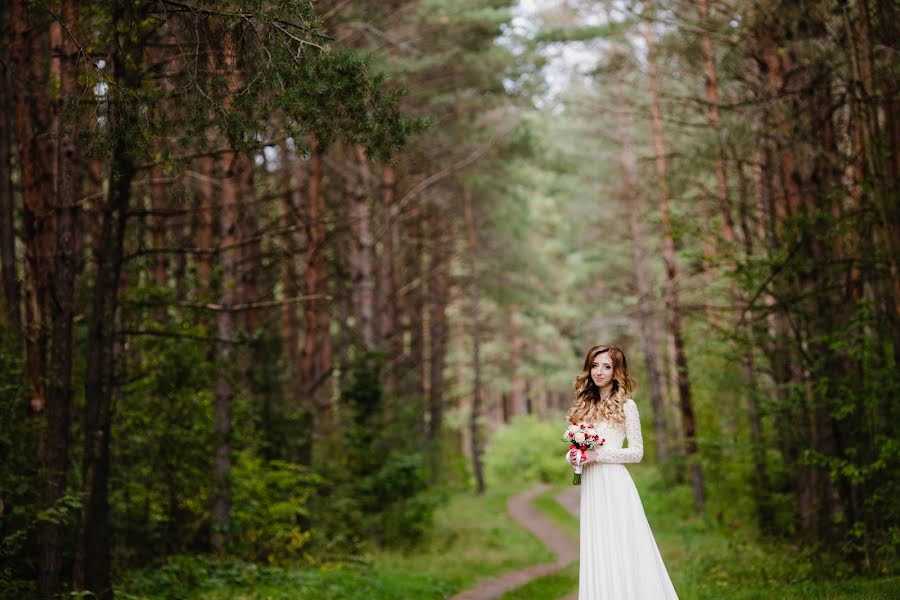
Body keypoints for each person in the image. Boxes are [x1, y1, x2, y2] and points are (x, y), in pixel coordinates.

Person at [565, 344, 679, 599]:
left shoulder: (627, 406)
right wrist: (574, 456)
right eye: (595, 365)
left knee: (621, 546)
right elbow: (576, 447)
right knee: (599, 547)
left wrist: (597, 455)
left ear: (617, 371)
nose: (599, 371)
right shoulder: (584, 405)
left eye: (607, 366)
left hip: (615, 485)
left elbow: (637, 452)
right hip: (592, 486)